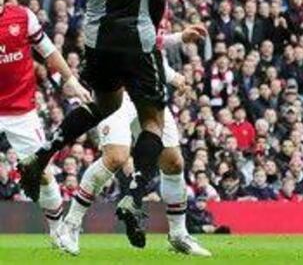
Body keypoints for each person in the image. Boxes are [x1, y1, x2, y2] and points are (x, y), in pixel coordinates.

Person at [19, 0, 173, 246]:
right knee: (153, 120)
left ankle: (45, 150)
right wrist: (149, 33)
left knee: (104, 104)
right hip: (135, 35)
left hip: (96, 39)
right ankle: (134, 198)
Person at [53, 24, 211, 257]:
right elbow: (132, 43)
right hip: (117, 92)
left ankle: (178, 234)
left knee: (173, 162)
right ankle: (71, 224)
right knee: (116, 157)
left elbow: (149, 45)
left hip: (147, 89)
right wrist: (175, 57)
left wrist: (175, 55)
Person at [0, 0, 92, 244]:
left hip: (21, 111)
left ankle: (56, 230)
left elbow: (49, 51)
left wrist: (70, 80)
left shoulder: (22, 17)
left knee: (41, 173)